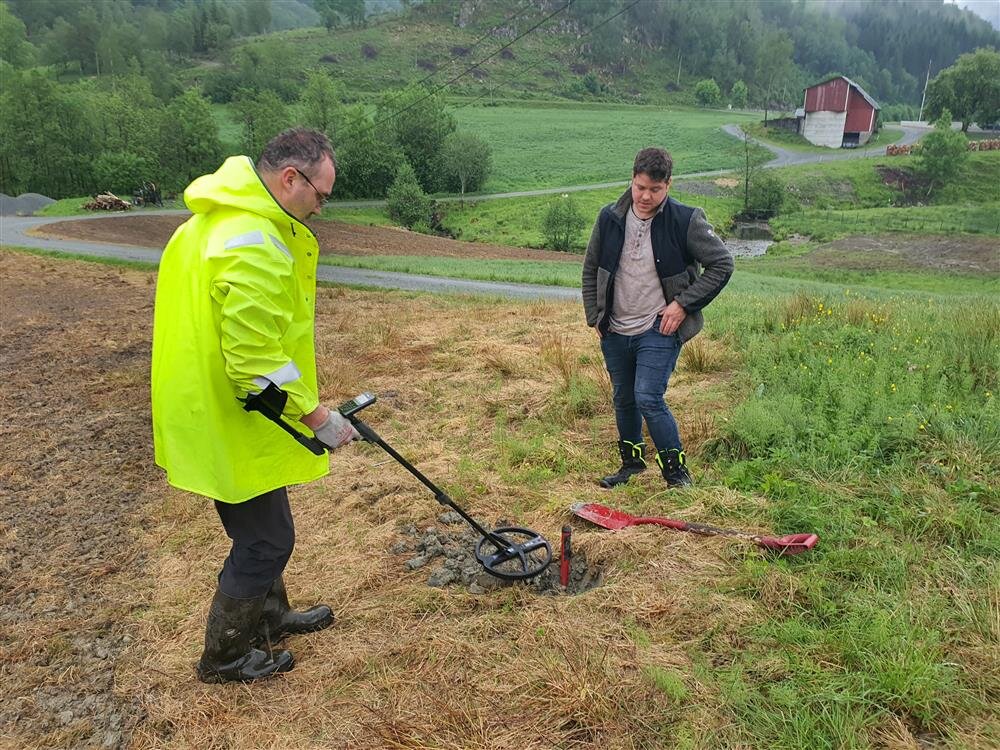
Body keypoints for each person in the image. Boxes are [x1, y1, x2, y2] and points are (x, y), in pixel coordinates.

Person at [151, 128, 359, 684]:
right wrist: (318, 417)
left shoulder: (210, 222)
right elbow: (253, 358)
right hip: (228, 410)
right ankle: (223, 656)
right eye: (321, 195)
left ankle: (270, 617)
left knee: (269, 521)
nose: (322, 207)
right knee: (265, 539)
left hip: (214, 408)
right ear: (290, 178)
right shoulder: (254, 239)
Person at [582, 147, 733, 489]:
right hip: (616, 328)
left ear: (668, 185)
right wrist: (595, 316)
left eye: (655, 189)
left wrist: (682, 304)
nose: (646, 196)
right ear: (632, 180)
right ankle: (631, 465)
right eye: (640, 187)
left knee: (648, 396)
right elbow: (591, 268)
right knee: (623, 397)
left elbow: (723, 264)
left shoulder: (685, 219)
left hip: (659, 327)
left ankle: (676, 473)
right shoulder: (609, 218)